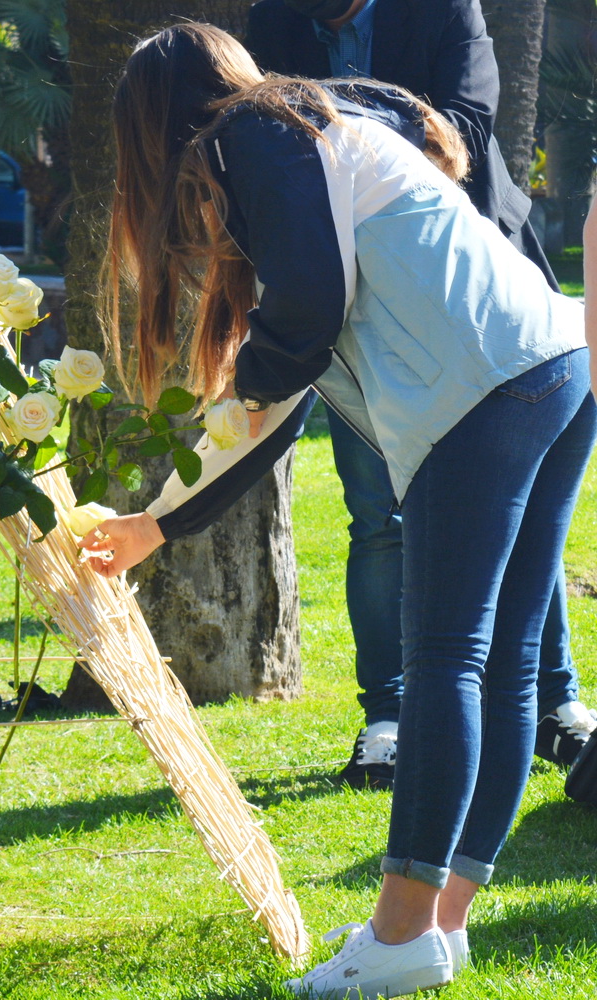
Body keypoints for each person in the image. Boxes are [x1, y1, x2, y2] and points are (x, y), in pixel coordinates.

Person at [83, 23, 597, 998]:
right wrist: (158, 522)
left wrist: (164, 506)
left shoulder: (248, 137)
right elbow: (287, 382)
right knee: (505, 665)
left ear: (153, 126)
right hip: (555, 362)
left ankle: (400, 932)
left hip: (484, 392)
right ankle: (439, 930)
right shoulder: (312, 120)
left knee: (445, 659)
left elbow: (304, 321)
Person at [244, 0, 596, 789]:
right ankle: (389, 719)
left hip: (478, 298)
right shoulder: (273, 22)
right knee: (378, 518)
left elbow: (465, 132)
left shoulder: (441, 9)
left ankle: (555, 706)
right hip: (364, 315)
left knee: (523, 524)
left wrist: (346, 135)